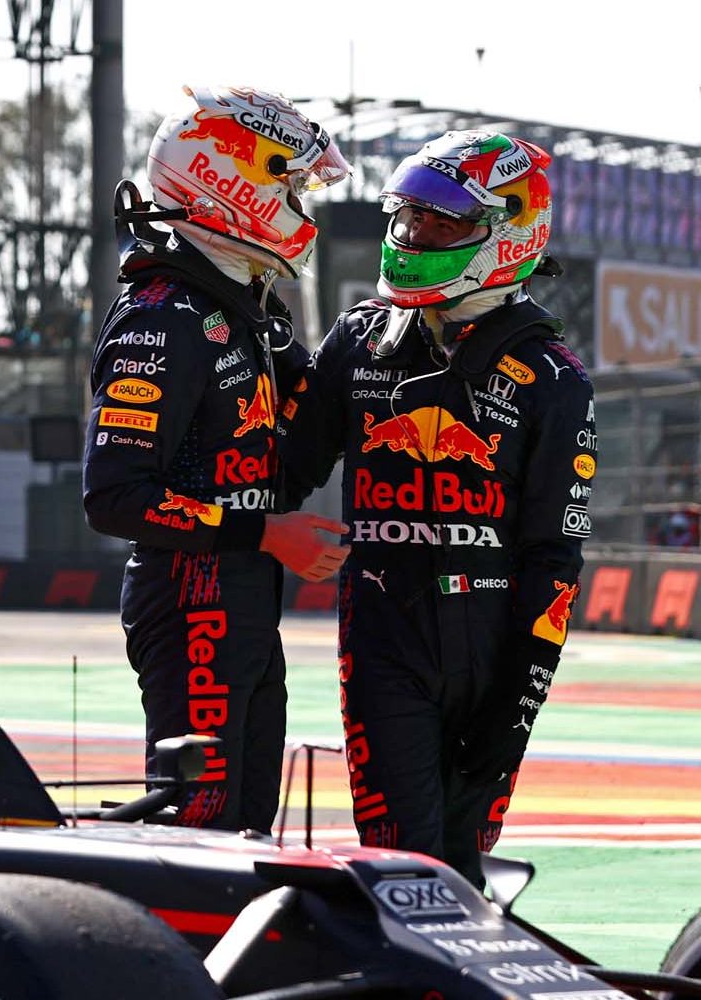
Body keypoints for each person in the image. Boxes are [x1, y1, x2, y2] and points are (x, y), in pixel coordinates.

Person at [282, 130, 594, 887]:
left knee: (461, 869)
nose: (416, 235)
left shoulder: (553, 377)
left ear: (508, 231)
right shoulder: (357, 338)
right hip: (383, 635)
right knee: (399, 868)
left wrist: (517, 702)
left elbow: (554, 560)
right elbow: (284, 471)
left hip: (495, 654)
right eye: (411, 217)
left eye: (443, 223)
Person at [82, 86, 351, 833]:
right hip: (192, 591)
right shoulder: (162, 316)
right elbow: (115, 498)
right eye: (290, 186)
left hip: (246, 599)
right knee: (200, 831)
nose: (302, 206)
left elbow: (312, 415)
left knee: (248, 828)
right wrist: (266, 534)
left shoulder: (244, 305)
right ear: (230, 184)